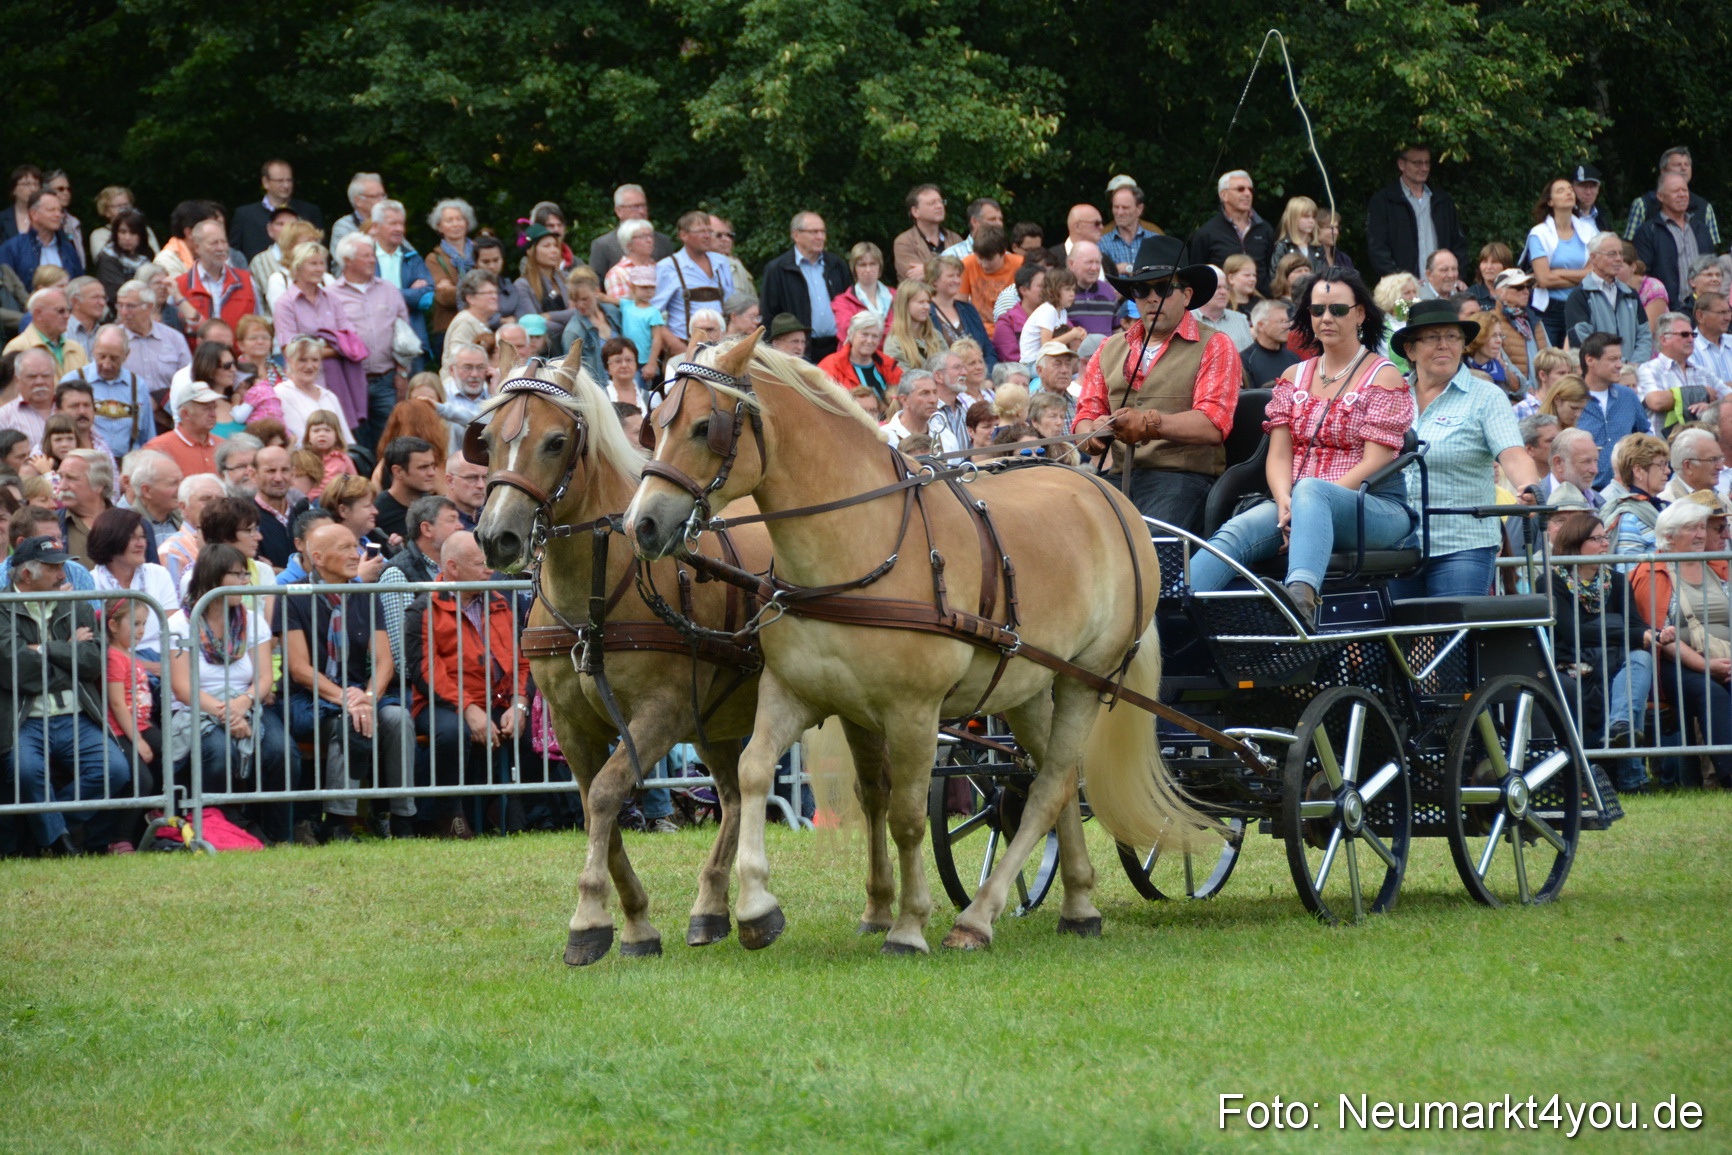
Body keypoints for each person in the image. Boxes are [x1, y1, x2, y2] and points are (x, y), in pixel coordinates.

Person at [1187, 269, 1413, 625]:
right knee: (1237, 531)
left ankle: (1299, 602)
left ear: (1360, 314)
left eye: (1338, 309)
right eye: (1317, 309)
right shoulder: (1295, 376)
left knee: (1311, 490)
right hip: (1294, 502)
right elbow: (1278, 453)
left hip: (1373, 504)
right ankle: (1166, 616)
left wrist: (1308, 505)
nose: (1326, 318)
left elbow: (1376, 461)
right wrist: (1284, 503)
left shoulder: (1383, 375)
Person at [1073, 236, 1243, 532]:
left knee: (1147, 545)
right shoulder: (1107, 349)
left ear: (1187, 295)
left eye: (1164, 288)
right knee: (1071, 532)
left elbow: (1214, 424)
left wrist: (1151, 424)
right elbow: (1085, 416)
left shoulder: (1216, 345)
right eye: (1142, 289)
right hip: (1118, 477)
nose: (1152, 298)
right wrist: (1091, 434)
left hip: (1183, 479)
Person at [1388, 299, 1542, 598]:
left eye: (1452, 337)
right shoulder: (1392, 396)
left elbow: (1512, 453)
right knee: (1399, 641)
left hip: (1463, 544)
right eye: (1432, 337)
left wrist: (1529, 486)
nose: (1444, 345)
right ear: (1410, 349)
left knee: (1453, 638)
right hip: (1397, 544)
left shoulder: (1486, 396)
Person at [0, 535, 135, 855]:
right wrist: (67, 651)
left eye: (63, 566)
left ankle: (44, 830)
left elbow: (92, 662)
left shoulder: (75, 603)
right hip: (26, 720)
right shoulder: (3, 608)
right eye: (54, 568)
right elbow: (13, 670)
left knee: (115, 769)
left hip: (76, 715)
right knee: (26, 771)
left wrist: (42, 650)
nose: (63, 574)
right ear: (26, 575)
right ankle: (59, 841)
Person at [278, 521, 413, 840]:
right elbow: (299, 669)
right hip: (309, 699)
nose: (356, 554)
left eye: (355, 546)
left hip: (357, 694)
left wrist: (366, 696)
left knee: (398, 718)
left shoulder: (365, 594)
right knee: (348, 722)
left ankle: (403, 818)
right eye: (345, 548)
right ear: (319, 557)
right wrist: (348, 700)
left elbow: (384, 662)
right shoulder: (294, 596)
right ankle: (339, 821)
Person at [404, 530, 534, 839]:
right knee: (452, 733)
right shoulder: (423, 609)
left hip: (498, 699)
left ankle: (516, 811)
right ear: (452, 567)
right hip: (440, 703)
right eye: (480, 564)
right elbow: (426, 673)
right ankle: (450, 815)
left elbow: (521, 660)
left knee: (532, 732)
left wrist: (519, 704)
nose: (491, 569)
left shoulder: (500, 602)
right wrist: (468, 708)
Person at [167, 542, 296, 843]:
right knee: (218, 752)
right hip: (196, 708)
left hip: (246, 703)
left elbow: (265, 677)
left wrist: (243, 703)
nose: (245, 582)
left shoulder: (252, 620)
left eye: (245, 574)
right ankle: (216, 832)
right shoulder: (179, 623)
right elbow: (183, 688)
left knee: (281, 751)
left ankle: (279, 837)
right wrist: (226, 713)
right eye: (237, 575)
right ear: (212, 578)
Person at [1544, 510, 1664, 792]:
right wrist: (1630, 632)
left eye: (1605, 537)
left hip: (1615, 659)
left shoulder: (1617, 581)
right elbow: (1573, 632)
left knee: (1641, 658)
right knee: (1631, 664)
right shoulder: (1552, 582)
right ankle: (1633, 779)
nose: (1604, 544)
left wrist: (1647, 634)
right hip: (1572, 661)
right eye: (1595, 538)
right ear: (1575, 543)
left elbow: (1635, 626)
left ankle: (1619, 725)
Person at [1628, 499, 1732, 789]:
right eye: (1691, 528)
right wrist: (1706, 665)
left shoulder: (1719, 566)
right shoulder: (1652, 571)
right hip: (1673, 664)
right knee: (1711, 693)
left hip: (1723, 658)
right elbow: (1658, 633)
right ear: (1669, 536)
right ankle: (1729, 777)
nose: (1700, 534)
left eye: (1702, 527)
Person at [330, 231, 409, 452]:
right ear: (347, 261)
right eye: (366, 255)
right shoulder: (331, 295)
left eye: (372, 254)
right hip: (350, 382)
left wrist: (402, 374)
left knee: (390, 443)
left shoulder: (389, 290)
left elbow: (405, 337)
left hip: (387, 381)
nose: (373, 259)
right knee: (356, 444)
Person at [1364, 143, 1469, 283]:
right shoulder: (1383, 202)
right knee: (1400, 306)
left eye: (1427, 163)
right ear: (1402, 164)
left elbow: (1458, 243)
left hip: (1442, 288)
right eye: (1417, 163)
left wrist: (1458, 277)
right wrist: (1399, 280)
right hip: (1402, 290)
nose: (1424, 168)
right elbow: (1377, 249)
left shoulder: (1442, 200)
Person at [377, 494, 460, 661]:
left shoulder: (458, 565)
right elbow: (404, 655)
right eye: (452, 520)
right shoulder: (396, 574)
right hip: (419, 681)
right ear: (426, 529)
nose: (460, 526)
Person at [759, 212, 849, 363]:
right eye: (814, 232)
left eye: (823, 231)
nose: (821, 237)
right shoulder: (777, 269)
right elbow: (769, 317)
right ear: (796, 235)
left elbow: (849, 304)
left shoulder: (836, 265)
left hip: (837, 348)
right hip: (798, 351)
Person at [1524, 178, 1599, 346]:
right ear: (1550, 201)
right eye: (1560, 191)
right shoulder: (1539, 234)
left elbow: (1597, 273)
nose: (1568, 193)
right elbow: (1543, 280)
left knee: (1576, 360)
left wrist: (1557, 273)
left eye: (1570, 190)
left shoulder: (1590, 231)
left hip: (1581, 305)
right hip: (1549, 310)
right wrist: (1582, 276)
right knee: (1550, 363)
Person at [1633, 172, 1717, 314]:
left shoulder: (1701, 229)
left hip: (1703, 310)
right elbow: (1641, 274)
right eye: (1675, 191)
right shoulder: (1648, 231)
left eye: (1684, 190)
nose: (1682, 195)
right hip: (1667, 311)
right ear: (1660, 196)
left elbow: (1713, 268)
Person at [1185, 171, 1277, 295]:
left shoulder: (1265, 229)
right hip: (1222, 304)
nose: (1247, 193)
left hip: (1260, 304)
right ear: (1224, 195)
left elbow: (1272, 270)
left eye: (1250, 189)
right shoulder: (1206, 233)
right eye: (1240, 189)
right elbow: (1197, 276)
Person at [1573, 332, 1646, 487]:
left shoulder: (1628, 396)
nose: (1620, 365)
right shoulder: (1571, 398)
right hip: (1584, 493)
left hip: (1626, 491)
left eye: (1620, 359)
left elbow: (1644, 434)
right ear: (1590, 360)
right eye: (1612, 359)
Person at [1565, 234, 1652, 362]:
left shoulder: (1630, 294)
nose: (1619, 259)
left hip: (1632, 375)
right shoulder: (1580, 296)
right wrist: (1613, 366)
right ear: (1593, 258)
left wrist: (1633, 367)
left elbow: (1644, 336)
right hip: (1599, 375)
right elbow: (1582, 341)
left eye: (1620, 254)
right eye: (1612, 254)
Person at [652, 211, 733, 343]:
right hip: (683, 345)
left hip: (719, 347)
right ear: (683, 235)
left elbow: (731, 305)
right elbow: (653, 314)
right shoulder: (669, 266)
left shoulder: (721, 262)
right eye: (701, 231)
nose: (707, 236)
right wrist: (675, 346)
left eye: (709, 231)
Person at [1639, 312, 1723, 431]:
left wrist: (1711, 407)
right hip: (1662, 446)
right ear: (1664, 339)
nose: (1691, 339)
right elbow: (1656, 401)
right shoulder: (1649, 369)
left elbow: (1729, 397)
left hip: (1700, 443)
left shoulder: (1702, 372)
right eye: (1684, 334)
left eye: (1692, 334)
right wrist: (1702, 393)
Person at [1622, 146, 1721, 247]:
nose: (1683, 168)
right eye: (1678, 165)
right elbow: (1629, 247)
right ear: (1663, 171)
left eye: (1687, 164)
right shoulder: (1643, 205)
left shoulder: (1705, 208)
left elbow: (1712, 251)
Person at [228, 160, 324, 260]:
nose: (286, 185)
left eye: (289, 180)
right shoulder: (244, 215)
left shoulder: (309, 211)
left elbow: (320, 250)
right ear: (265, 182)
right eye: (280, 181)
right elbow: (233, 255)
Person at [174, 220, 257, 334]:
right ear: (197, 247)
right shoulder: (179, 286)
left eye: (224, 242)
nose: (221, 248)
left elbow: (258, 322)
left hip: (238, 351)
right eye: (214, 243)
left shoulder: (246, 280)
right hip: (197, 351)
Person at [1602, 433, 1671, 558]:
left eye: (1667, 464)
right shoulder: (1630, 518)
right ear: (1638, 470)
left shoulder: (1662, 506)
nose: (1667, 471)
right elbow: (1629, 571)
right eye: (1661, 465)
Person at [424, 198, 478, 355]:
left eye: (459, 219)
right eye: (449, 220)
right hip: (449, 326)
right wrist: (478, 294)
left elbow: (493, 288)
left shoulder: (481, 251)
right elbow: (444, 297)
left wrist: (455, 289)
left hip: (483, 324)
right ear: (439, 227)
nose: (455, 224)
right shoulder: (433, 258)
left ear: (467, 223)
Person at [273, 336, 350, 447]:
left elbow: (347, 439)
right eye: (302, 360)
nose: (309, 366)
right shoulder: (281, 393)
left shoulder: (329, 396)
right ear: (289, 361)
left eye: (315, 360)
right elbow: (300, 440)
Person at [0, 190, 84, 288]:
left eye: (60, 210)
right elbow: (6, 289)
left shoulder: (68, 249)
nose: (58, 215)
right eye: (51, 210)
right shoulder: (12, 248)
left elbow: (79, 285)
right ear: (34, 214)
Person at [1485, 268, 1550, 395]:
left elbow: (1551, 356)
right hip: (1513, 399)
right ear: (1500, 292)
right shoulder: (1491, 322)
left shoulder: (1535, 321)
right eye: (1519, 287)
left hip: (1543, 396)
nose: (1526, 291)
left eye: (1527, 287)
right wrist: (1529, 392)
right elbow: (1502, 362)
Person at [817, 312, 901, 406]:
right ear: (851, 335)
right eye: (864, 334)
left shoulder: (889, 365)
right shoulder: (830, 365)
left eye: (875, 336)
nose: (869, 341)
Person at [586, 184, 675, 273]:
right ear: (619, 211)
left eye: (644, 206)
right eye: (635, 207)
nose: (642, 211)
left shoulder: (662, 241)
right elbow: (595, 284)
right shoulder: (604, 245)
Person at [5, 287, 89, 378]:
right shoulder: (18, 348)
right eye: (60, 311)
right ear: (38, 314)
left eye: (68, 310)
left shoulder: (76, 348)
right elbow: (12, 390)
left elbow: (89, 387)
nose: (67, 316)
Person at [372, 436, 439, 545]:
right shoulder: (377, 513)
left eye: (432, 466)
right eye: (423, 467)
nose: (432, 473)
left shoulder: (434, 507)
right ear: (398, 471)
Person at [559, 267, 619, 382]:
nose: (580, 305)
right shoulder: (572, 332)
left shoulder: (613, 312)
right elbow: (572, 374)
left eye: (584, 299)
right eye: (575, 300)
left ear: (596, 291)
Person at [891, 184, 961, 283]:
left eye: (941, 201)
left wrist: (926, 270)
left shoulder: (954, 239)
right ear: (915, 211)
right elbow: (914, 278)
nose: (939, 206)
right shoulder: (904, 242)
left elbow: (967, 271)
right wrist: (951, 270)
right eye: (932, 203)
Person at [1019, 267, 1083, 363]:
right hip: (1032, 363)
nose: (1072, 294)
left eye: (1073, 290)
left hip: (1046, 360)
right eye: (1067, 289)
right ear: (1053, 291)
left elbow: (1061, 338)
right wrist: (1072, 334)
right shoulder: (1048, 311)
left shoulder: (1062, 312)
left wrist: (1079, 334)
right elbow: (1046, 345)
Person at [884, 278, 948, 371]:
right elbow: (904, 380)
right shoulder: (894, 343)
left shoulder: (936, 336)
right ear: (905, 304)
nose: (927, 307)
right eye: (921, 302)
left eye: (928, 302)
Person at [1190, 265, 1253, 352]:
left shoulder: (1241, 320)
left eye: (1226, 288)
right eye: (1218, 288)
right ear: (1202, 291)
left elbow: (1250, 357)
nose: (1223, 292)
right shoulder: (1188, 320)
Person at [1242, 298, 1303, 386]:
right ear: (1261, 325)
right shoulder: (1246, 360)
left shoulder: (1293, 358)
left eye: (1288, 322)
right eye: (1281, 321)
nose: (1286, 327)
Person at [1101, 183, 1158, 276]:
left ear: (1139, 209)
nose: (1119, 212)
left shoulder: (1155, 240)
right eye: (1116, 207)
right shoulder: (1102, 243)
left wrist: (1124, 268)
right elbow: (1097, 280)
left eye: (1125, 207)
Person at [993, 263, 1044, 366]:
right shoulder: (1006, 324)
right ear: (1024, 290)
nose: (1048, 290)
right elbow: (1013, 362)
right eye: (1041, 286)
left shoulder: (1057, 314)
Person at [882, 371, 945, 449]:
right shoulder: (885, 438)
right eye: (925, 393)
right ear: (905, 400)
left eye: (935, 392)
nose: (933, 400)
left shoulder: (945, 436)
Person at [1269, 196, 1323, 278]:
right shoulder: (1283, 247)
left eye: (1313, 217)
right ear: (1293, 218)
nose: (1311, 221)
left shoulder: (1318, 248)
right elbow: (1276, 278)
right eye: (1306, 216)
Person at [1692, 290, 1732, 395]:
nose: (1728, 318)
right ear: (1700, 316)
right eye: (1722, 313)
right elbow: (1699, 393)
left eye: (1729, 312)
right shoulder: (1688, 347)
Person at [329, 173, 385, 247]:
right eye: (375, 196)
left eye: (383, 195)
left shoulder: (390, 223)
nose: (382, 201)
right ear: (358, 201)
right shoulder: (344, 226)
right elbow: (344, 257)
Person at [444, 452, 487, 530]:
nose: (481, 485)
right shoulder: (438, 524)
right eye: (471, 478)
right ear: (450, 481)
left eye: (485, 477)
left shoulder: (492, 518)